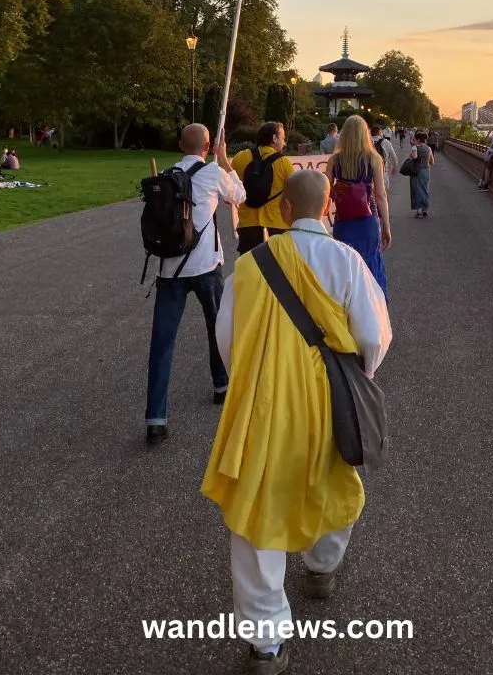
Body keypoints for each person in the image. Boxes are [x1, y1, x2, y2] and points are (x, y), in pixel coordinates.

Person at [201, 170, 392, 673]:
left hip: (262, 401)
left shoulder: (249, 266)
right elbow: (374, 337)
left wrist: (258, 370)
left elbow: (229, 340)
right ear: (328, 209)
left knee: (257, 510)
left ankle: (266, 644)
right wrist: (359, 376)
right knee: (333, 478)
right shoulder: (348, 262)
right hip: (327, 398)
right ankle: (322, 567)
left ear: (284, 212)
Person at [145, 124, 246, 445]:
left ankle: (156, 418)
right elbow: (240, 196)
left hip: (169, 269)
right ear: (207, 146)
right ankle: (220, 384)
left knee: (162, 343)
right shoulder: (213, 172)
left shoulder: (165, 174)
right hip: (205, 266)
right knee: (216, 328)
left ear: (179, 145)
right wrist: (225, 158)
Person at [325, 115, 391, 299]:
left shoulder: (334, 160)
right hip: (368, 220)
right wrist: (386, 226)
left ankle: (347, 306)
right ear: (365, 134)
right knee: (370, 263)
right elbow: (381, 195)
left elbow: (326, 191)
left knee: (346, 264)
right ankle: (372, 307)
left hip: (343, 220)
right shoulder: (374, 159)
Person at [231, 122, 294, 255]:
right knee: (279, 266)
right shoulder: (284, 163)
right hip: (278, 223)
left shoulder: (240, 157)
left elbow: (231, 187)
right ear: (274, 138)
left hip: (248, 223)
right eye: (283, 138)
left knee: (250, 266)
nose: (284, 143)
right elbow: (293, 193)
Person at [409, 131, 435, 218]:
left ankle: (419, 210)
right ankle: (425, 209)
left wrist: (412, 154)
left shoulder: (415, 147)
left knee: (417, 189)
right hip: (426, 170)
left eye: (415, 139)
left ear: (418, 140)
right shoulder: (429, 148)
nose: (414, 141)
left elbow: (414, 157)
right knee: (425, 188)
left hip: (417, 170)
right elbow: (432, 161)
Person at [370, 124, 398, 190]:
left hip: (369, 175)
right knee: (383, 195)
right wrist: (394, 166)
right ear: (380, 132)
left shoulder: (366, 142)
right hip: (383, 172)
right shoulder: (386, 142)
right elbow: (393, 157)